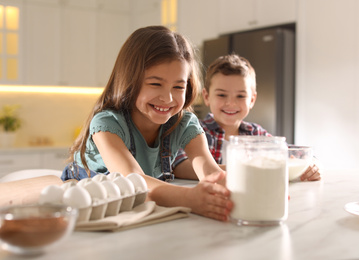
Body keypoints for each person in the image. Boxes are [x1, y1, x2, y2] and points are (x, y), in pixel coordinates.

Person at [61, 26, 233, 221]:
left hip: (138, 206)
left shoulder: (184, 122)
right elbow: (134, 181)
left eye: (178, 86)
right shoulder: (107, 124)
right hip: (90, 208)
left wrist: (222, 188)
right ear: (130, 80)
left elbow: (209, 170)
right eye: (155, 84)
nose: (168, 98)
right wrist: (190, 198)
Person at [173, 54, 321, 181]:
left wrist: (311, 164)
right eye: (221, 95)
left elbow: (293, 153)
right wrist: (246, 170)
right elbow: (179, 165)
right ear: (206, 97)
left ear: (252, 100)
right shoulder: (194, 131)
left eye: (240, 96)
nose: (230, 103)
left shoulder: (255, 133)